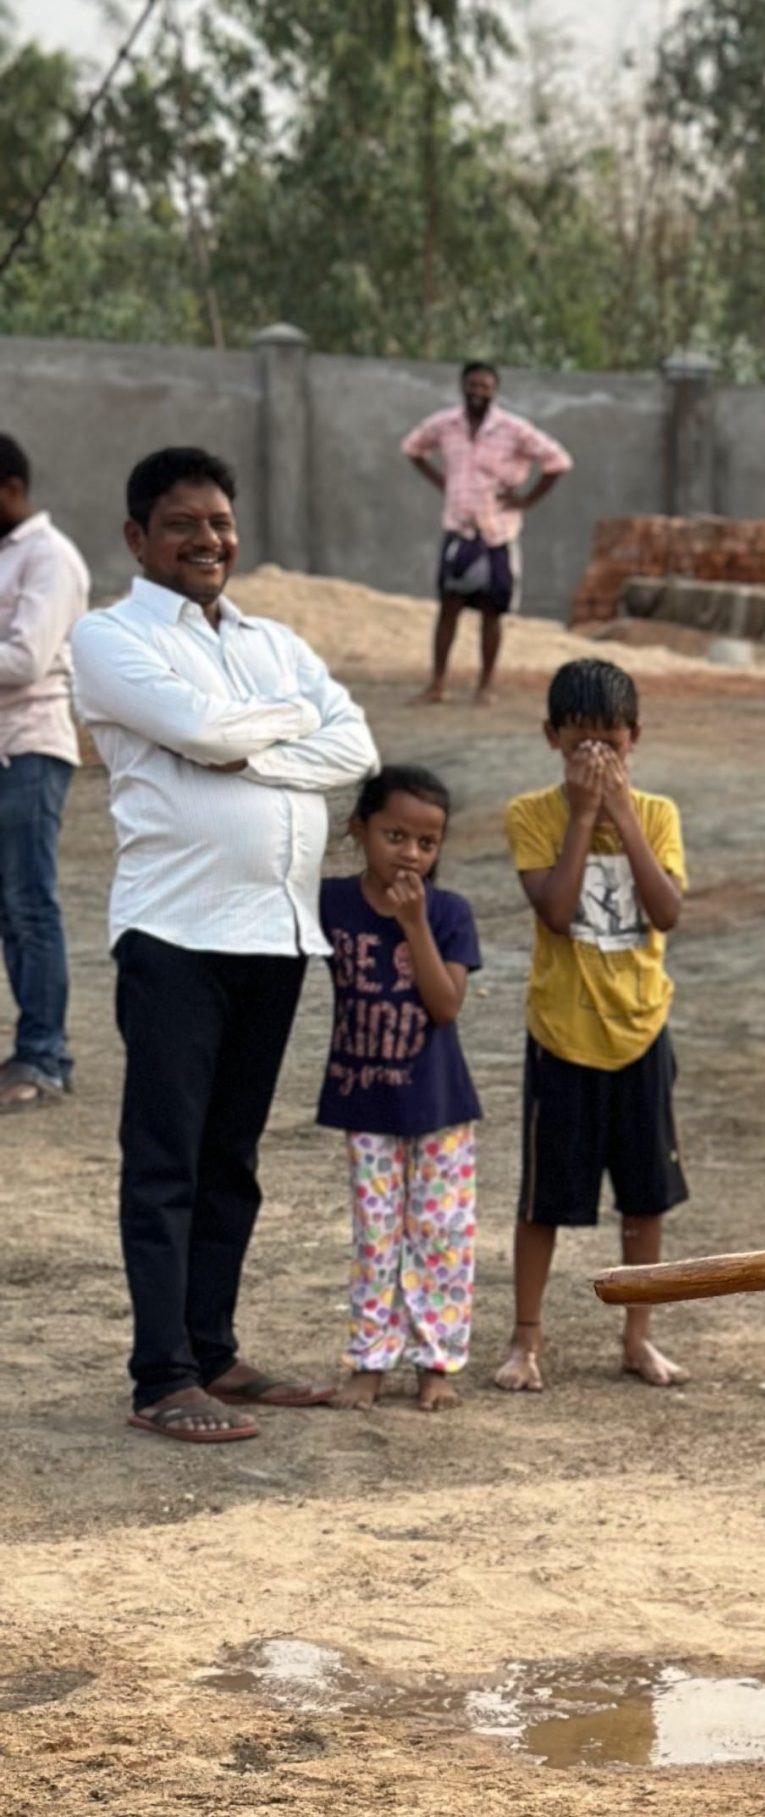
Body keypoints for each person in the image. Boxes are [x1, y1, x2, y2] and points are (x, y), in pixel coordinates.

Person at [71, 446, 378, 1444]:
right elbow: (197, 734)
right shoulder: (110, 638)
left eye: (220, 521)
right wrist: (270, 737)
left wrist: (248, 734)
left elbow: (358, 747)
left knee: (232, 1157)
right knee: (166, 1158)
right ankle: (160, 1374)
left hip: (276, 934)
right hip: (175, 933)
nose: (209, 538)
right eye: (182, 524)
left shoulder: (275, 640)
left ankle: (212, 1349)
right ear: (137, 538)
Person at [497, 658, 687, 1392]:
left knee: (644, 1198)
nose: (598, 759)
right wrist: (582, 814)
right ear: (553, 739)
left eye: (610, 741)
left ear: (634, 738)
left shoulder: (660, 816)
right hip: (562, 1033)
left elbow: (667, 910)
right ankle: (526, 1340)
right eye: (582, 744)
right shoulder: (532, 816)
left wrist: (623, 816)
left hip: (641, 1029)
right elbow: (554, 907)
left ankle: (639, 1335)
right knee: (544, 1199)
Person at [320, 765, 480, 1411]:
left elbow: (446, 1007)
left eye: (426, 842)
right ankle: (370, 1359)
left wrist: (414, 924)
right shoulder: (331, 902)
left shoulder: (447, 914)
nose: (410, 853)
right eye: (394, 836)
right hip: (367, 1102)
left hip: (440, 1107)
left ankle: (434, 1362)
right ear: (359, 829)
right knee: (375, 1236)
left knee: (440, 1236)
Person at [0, 431, 91, 1111]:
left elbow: (25, 661)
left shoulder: (49, 558)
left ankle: (44, 1056)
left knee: (30, 904)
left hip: (30, 747)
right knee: (12, 907)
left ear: (10, 490)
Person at [401, 362, 572, 708]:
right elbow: (413, 447)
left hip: (497, 532)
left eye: (485, 386)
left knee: (492, 612)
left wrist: (526, 499)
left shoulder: (512, 429)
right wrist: (442, 482)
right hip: (459, 530)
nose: (478, 391)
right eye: (472, 385)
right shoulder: (446, 425)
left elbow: (557, 461)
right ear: (462, 386)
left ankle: (485, 685)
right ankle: (437, 684)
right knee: (448, 608)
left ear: (494, 390)